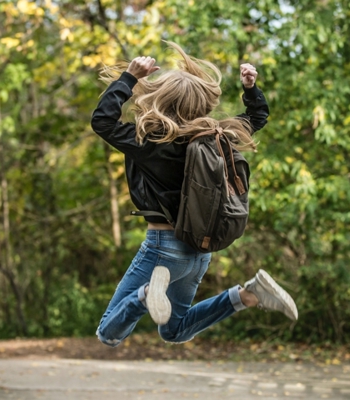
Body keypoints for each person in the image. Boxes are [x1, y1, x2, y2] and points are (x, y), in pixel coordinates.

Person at [91, 42, 297, 347]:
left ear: (161, 98)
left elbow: (102, 121)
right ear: (201, 103)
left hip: (162, 249)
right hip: (199, 251)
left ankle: (147, 294)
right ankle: (248, 295)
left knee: (108, 333)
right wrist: (250, 89)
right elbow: (257, 118)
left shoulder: (148, 141)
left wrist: (129, 77)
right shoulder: (218, 137)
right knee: (174, 330)